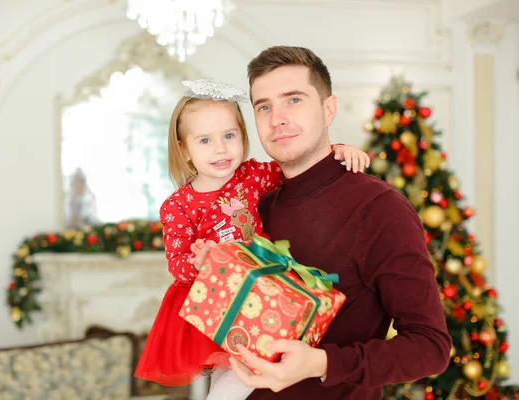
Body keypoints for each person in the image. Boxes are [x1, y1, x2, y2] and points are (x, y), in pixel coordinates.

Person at [191, 47, 452, 400]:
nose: (276, 119)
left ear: (328, 109)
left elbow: (430, 347)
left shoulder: (379, 208)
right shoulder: (256, 206)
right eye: (263, 106)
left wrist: (321, 363)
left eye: (293, 100)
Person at [134, 78, 370, 399]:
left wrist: (336, 151)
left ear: (242, 137)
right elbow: (177, 266)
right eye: (205, 140)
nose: (220, 148)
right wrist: (202, 263)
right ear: (184, 149)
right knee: (230, 384)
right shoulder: (178, 205)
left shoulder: (252, 175)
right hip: (219, 302)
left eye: (229, 136)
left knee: (260, 376)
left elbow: (300, 168)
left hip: (264, 291)